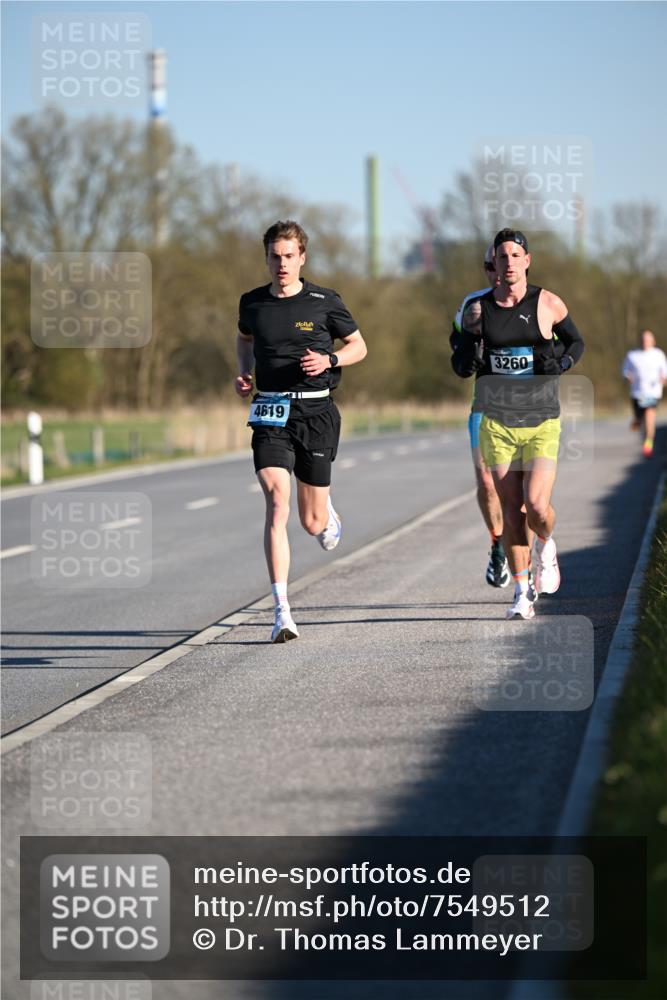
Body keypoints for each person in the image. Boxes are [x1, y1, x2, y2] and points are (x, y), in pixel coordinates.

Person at [236, 220, 367, 642]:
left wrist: (330, 361)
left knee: (311, 523)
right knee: (277, 502)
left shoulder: (324, 301)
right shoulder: (252, 303)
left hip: (317, 415)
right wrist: (243, 372)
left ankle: (326, 513)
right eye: (274, 256)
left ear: (302, 258)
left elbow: (359, 347)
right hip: (271, 414)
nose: (281, 264)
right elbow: (243, 339)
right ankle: (282, 612)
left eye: (289, 256)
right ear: (267, 258)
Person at [457, 228, 585, 620]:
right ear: (492, 263)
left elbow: (576, 343)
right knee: (512, 512)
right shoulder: (477, 309)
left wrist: (560, 364)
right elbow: (460, 360)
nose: (508, 262)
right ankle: (521, 590)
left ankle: (546, 541)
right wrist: (471, 357)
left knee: (536, 505)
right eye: (502, 256)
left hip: (541, 420)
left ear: (527, 260)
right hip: (497, 422)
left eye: (516, 255)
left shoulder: (547, 302)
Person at [450, 247, 510, 588]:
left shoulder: (535, 303)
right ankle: (498, 542)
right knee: (487, 483)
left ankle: (530, 552)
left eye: (501, 262)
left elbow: (561, 344)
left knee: (520, 490)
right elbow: (457, 351)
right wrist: (466, 358)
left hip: (526, 409)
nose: (495, 271)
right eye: (489, 265)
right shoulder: (473, 304)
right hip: (484, 406)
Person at [621, 329, 666, 458]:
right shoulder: (632, 355)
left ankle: (648, 443)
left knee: (650, 416)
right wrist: (627, 376)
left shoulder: (659, 355)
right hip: (637, 393)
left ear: (653, 341)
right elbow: (624, 370)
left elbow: (664, 372)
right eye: (643, 339)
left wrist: (663, 379)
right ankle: (637, 421)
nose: (645, 342)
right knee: (639, 420)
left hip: (653, 393)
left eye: (648, 339)